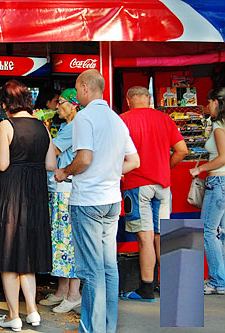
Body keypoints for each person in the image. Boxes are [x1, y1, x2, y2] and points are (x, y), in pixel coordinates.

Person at [55, 69, 140, 333]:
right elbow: (134, 161)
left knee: (91, 272)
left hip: (87, 201)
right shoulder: (117, 120)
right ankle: (107, 326)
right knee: (108, 267)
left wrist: (64, 172)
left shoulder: (84, 118)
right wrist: (111, 172)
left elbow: (84, 159)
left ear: (84, 88)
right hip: (112, 200)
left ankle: (92, 329)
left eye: (78, 89)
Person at [0, 79, 56, 331]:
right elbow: (51, 165)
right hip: (35, 194)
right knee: (28, 253)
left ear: (6, 104)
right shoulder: (42, 126)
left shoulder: (6, 125)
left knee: (8, 253)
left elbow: (2, 164)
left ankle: (13, 314)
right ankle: (33, 311)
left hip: (10, 194)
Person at [119, 86, 187, 302]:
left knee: (145, 237)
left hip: (137, 185)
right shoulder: (165, 119)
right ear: (149, 100)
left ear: (128, 100)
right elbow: (182, 150)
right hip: (163, 186)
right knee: (163, 235)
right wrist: (165, 169)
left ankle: (146, 290)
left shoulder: (122, 120)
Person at [39, 88, 82, 313]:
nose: (57, 107)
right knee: (60, 242)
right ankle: (62, 290)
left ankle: (73, 294)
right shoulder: (67, 126)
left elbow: (52, 150)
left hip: (66, 189)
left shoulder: (73, 127)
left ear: (74, 104)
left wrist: (44, 130)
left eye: (62, 102)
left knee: (67, 242)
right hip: (60, 189)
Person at [190, 87, 225, 295]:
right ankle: (221, 278)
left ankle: (217, 281)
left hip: (218, 183)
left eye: (209, 102)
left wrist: (200, 168)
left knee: (208, 232)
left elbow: (222, 157)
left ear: (217, 103)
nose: (207, 106)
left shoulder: (219, 125)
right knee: (221, 234)